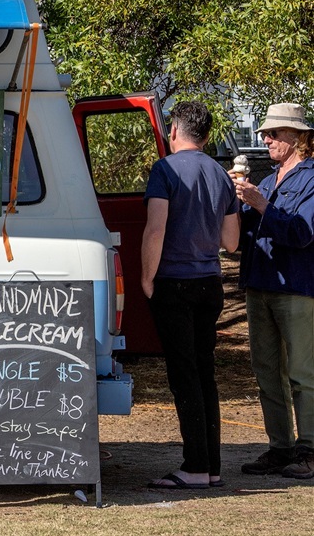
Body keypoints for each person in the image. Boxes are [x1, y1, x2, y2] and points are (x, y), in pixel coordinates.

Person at [141, 101, 240, 490]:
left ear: (174, 131)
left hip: (174, 283)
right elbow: (231, 242)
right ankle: (211, 466)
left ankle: (195, 466)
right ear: (208, 136)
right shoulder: (220, 174)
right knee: (205, 374)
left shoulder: (165, 169)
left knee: (184, 376)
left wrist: (147, 279)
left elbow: (154, 230)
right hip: (210, 282)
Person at [231, 102, 314, 480]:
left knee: (301, 373)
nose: (265, 139)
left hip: (296, 288)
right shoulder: (268, 180)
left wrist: (262, 205)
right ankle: (280, 448)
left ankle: (309, 450)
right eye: (266, 133)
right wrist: (237, 202)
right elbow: (244, 236)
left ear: (298, 138)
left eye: (274, 133)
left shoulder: (311, 179)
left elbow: (302, 233)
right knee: (266, 373)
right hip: (260, 285)